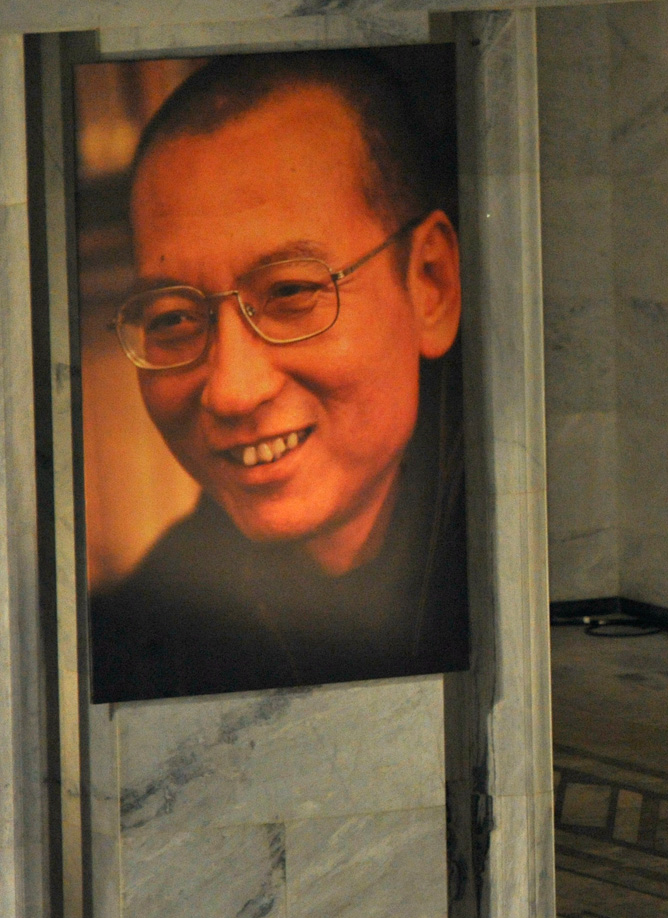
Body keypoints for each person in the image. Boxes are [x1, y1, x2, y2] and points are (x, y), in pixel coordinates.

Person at [89, 50, 469, 702]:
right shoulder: (132, 639)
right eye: (175, 319)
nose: (232, 390)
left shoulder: (520, 551)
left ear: (428, 285)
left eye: (291, 292)